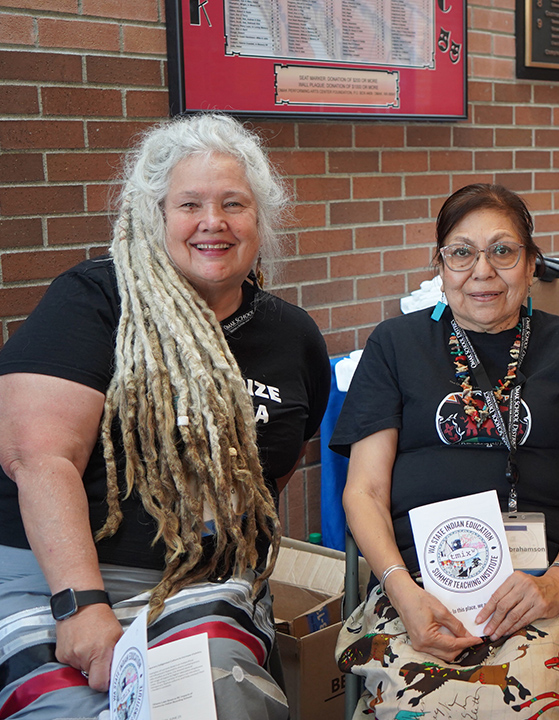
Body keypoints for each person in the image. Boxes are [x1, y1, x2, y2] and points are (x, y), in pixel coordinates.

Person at [0, 113, 331, 719]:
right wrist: (80, 604)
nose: (214, 222)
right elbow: (37, 457)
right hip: (60, 577)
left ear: (260, 220)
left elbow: (276, 470)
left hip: (205, 586)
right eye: (190, 204)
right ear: (153, 215)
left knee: (212, 701)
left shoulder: (292, 334)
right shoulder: (92, 302)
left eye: (235, 203)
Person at [330, 183, 559, 719]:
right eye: (462, 253)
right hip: (419, 583)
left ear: (532, 263)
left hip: (542, 581)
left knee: (525, 697)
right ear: (440, 266)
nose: (482, 270)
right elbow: (365, 492)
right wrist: (402, 592)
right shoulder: (394, 346)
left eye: (503, 250)